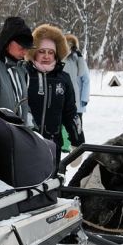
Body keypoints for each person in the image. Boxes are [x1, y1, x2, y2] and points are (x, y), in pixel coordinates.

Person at [25, 24, 80, 157]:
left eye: (51, 52)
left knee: (53, 178)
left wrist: (78, 143)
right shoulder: (23, 73)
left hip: (53, 145)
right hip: (26, 144)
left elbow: (70, 112)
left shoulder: (63, 78)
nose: (46, 56)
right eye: (42, 51)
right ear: (34, 52)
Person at [61, 33, 90, 145]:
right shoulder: (60, 58)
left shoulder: (77, 58)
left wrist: (84, 98)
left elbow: (85, 78)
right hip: (62, 96)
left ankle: (78, 148)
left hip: (76, 99)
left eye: (71, 45)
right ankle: (66, 147)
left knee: (77, 126)